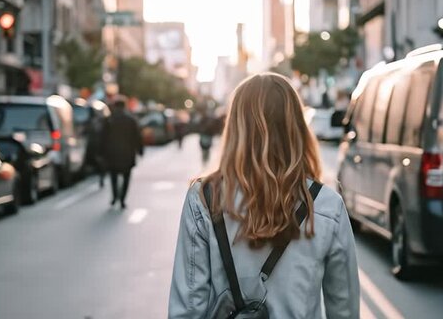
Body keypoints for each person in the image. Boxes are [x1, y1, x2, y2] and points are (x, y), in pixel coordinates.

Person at [168, 73, 360, 318]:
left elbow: (188, 308)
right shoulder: (326, 205)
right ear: (296, 127)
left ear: (236, 127)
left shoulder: (205, 198)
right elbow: (344, 310)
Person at [101, 97, 143, 209]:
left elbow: (103, 138)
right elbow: (137, 137)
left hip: (112, 154)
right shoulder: (131, 119)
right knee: (126, 177)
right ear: (124, 106)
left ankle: (115, 196)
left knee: (113, 176)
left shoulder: (109, 119)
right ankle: (123, 199)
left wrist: (102, 153)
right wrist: (140, 150)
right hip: (127, 154)